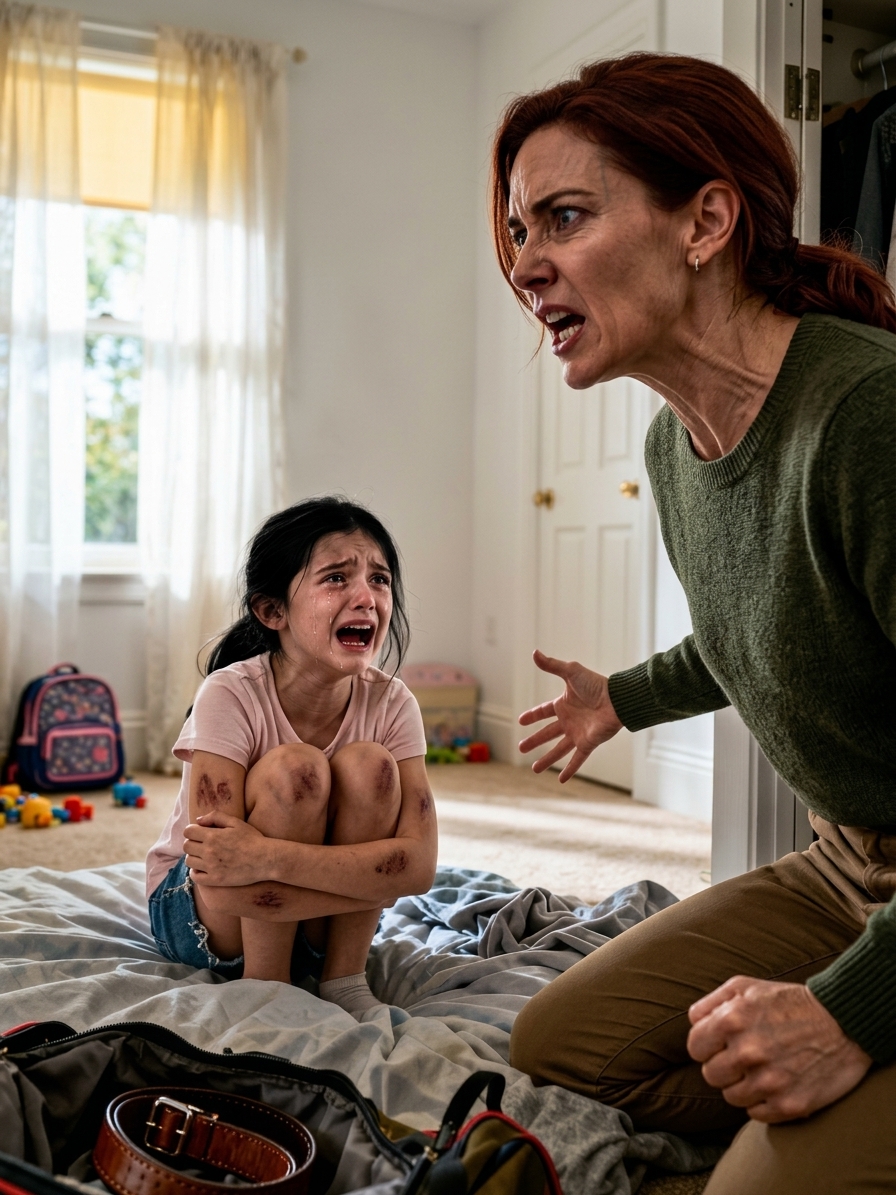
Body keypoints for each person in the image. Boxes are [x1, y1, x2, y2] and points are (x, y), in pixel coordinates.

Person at [489, 53, 896, 1193]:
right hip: (842, 867)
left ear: (705, 221)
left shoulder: (868, 416)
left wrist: (851, 1016)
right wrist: (621, 699)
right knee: (556, 1043)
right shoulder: (675, 448)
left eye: (564, 217)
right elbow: (768, 625)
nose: (523, 264)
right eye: (518, 230)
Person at [145, 496, 436, 1019]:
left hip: (306, 919)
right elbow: (220, 879)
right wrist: (369, 883)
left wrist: (267, 858)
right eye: (336, 578)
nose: (366, 598)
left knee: (371, 766)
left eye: (379, 579)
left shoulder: (393, 701)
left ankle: (344, 977)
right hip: (207, 916)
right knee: (296, 770)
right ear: (272, 611)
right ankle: (267, 982)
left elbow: (418, 869)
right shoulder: (229, 693)